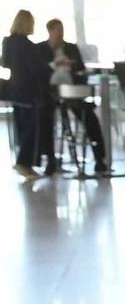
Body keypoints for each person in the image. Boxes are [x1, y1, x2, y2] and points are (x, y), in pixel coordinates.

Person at [36, 20, 110, 175]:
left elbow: (81, 68)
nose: (60, 34)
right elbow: (39, 72)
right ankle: (50, 159)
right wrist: (54, 64)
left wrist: (71, 64)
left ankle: (100, 158)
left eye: (62, 30)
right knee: (44, 119)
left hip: (72, 91)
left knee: (90, 118)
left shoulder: (71, 48)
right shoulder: (40, 49)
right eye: (57, 30)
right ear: (50, 31)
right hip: (49, 93)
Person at [5, 11, 48, 179]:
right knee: (31, 129)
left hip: (15, 89)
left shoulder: (8, 42)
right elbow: (37, 69)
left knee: (21, 128)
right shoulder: (29, 46)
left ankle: (26, 165)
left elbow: (5, 62)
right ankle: (24, 163)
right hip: (29, 92)